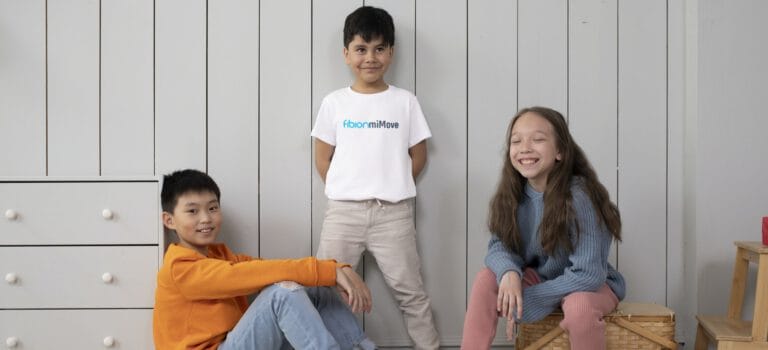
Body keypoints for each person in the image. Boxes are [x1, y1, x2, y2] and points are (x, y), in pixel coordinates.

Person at [310, 5, 439, 350]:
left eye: (379, 48)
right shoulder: (334, 103)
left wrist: (391, 183)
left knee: (411, 291)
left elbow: (419, 155)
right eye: (361, 49)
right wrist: (349, 187)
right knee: (324, 289)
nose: (370, 57)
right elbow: (323, 159)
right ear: (346, 54)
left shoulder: (405, 102)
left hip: (392, 215)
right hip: (343, 213)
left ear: (391, 53)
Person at [153, 169, 376, 350]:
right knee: (281, 294)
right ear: (169, 220)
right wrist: (330, 270)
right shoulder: (179, 267)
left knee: (316, 290)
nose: (206, 218)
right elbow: (264, 276)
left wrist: (335, 269)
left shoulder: (219, 255)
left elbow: (264, 269)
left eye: (212, 208)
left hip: (233, 342)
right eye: (192, 211)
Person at [461, 107, 626, 350]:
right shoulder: (512, 194)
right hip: (543, 277)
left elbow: (589, 273)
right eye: (516, 140)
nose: (525, 147)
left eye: (538, 139)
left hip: (589, 284)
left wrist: (528, 300)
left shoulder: (580, 196)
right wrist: (509, 274)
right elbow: (499, 246)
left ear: (560, 151)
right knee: (486, 278)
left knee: (579, 307)